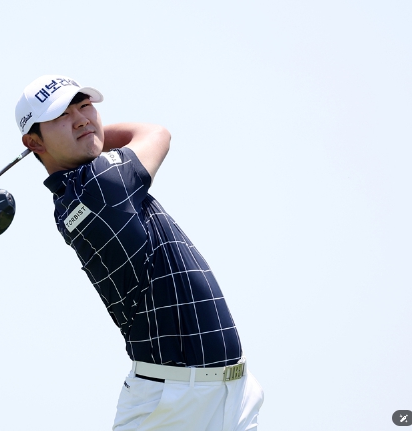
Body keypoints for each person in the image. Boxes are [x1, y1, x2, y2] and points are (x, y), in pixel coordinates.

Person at [15, 75, 264, 431]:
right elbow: (156, 133)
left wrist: (75, 135)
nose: (82, 119)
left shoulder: (77, 193)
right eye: (62, 116)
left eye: (85, 107)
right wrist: (93, 133)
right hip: (171, 404)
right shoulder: (102, 183)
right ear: (33, 142)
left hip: (229, 391)